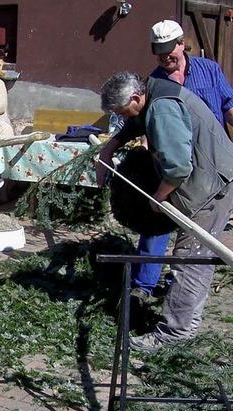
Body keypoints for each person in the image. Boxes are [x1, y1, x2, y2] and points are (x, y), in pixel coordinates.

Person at [98, 71, 233, 351]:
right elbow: (136, 121)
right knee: (189, 257)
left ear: (136, 96)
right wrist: (109, 148)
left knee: (190, 260)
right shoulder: (153, 91)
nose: (123, 118)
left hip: (211, 187)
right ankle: (180, 324)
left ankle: (175, 334)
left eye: (122, 112)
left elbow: (178, 167)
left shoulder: (162, 110)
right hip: (208, 176)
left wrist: (158, 197)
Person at [125, 19, 233, 305]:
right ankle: (143, 286)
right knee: (159, 218)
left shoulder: (209, 71)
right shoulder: (154, 82)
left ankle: (179, 287)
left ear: (182, 44)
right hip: (175, 162)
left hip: (207, 164)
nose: (164, 55)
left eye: (169, 49)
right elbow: (144, 123)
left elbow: (228, 107)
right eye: (158, 50)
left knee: (195, 231)